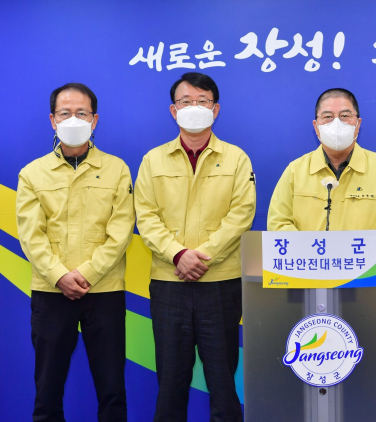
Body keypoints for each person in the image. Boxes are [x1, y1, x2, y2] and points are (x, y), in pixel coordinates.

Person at [134, 72, 255, 422]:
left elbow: (241, 215)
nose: (194, 107)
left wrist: (202, 257)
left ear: (215, 109)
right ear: (174, 110)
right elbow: (146, 216)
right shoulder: (153, 160)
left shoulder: (236, 159)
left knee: (223, 382)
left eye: (202, 101)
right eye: (186, 101)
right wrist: (178, 255)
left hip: (220, 283)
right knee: (171, 384)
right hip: (169, 284)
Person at [16, 82, 134, 421]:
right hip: (51, 291)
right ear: (52, 120)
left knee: (112, 391)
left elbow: (121, 230)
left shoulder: (116, 169)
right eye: (64, 113)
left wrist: (87, 274)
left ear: (94, 119)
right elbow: (31, 236)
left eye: (81, 113)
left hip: (104, 291)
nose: (73, 119)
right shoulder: (32, 173)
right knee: (47, 392)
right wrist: (60, 276)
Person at [267, 88, 376, 245]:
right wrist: (313, 253)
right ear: (316, 126)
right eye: (328, 117)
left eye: (345, 116)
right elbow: (278, 223)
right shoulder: (295, 170)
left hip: (365, 260)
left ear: (358, 124)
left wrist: (358, 255)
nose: (336, 124)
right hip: (308, 260)